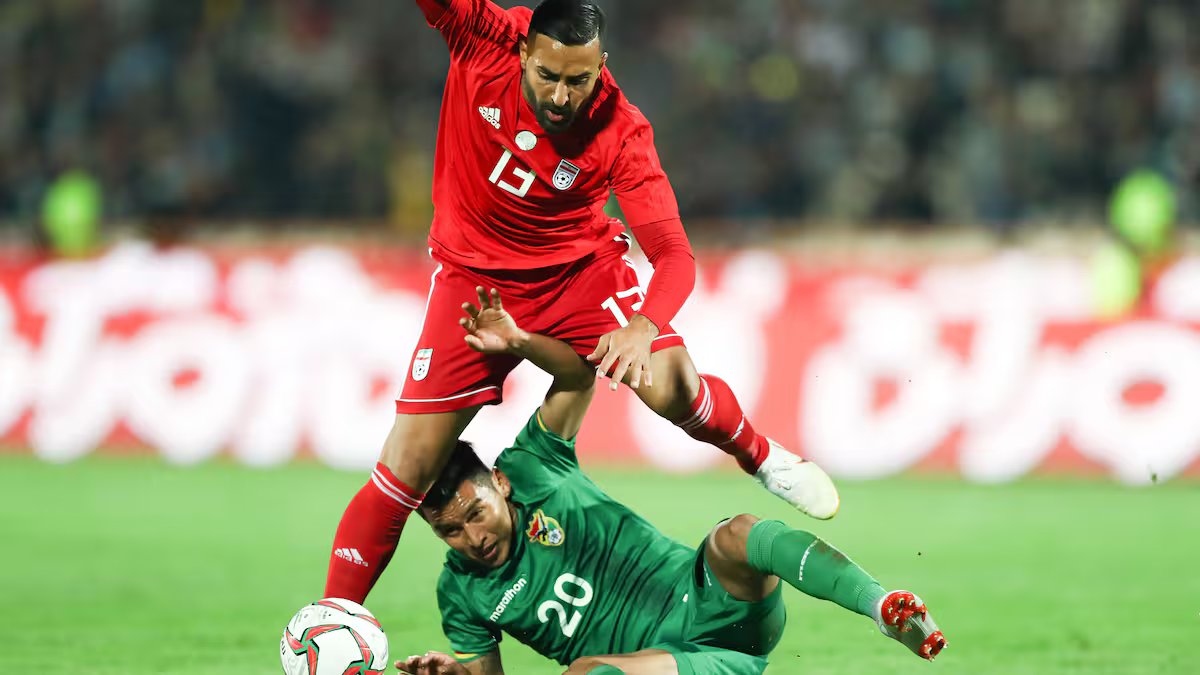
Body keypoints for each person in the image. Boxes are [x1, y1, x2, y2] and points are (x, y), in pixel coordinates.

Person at [324, 0, 838, 604]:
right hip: (472, 281)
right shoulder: (483, 38)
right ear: (523, 51)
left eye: (579, 80)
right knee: (408, 464)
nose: (562, 96)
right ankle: (335, 620)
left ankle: (762, 457)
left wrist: (645, 324)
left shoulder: (621, 128)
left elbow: (674, 253)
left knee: (670, 385)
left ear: (601, 65)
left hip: (578, 275)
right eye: (548, 76)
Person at [395, 290, 947, 674]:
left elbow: (577, 374)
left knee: (738, 534)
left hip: (714, 604)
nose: (473, 538)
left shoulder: (534, 464)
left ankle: (882, 605)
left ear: (499, 482)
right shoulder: (460, 593)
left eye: (475, 513)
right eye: (450, 531)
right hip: (666, 665)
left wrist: (520, 342)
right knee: (588, 673)